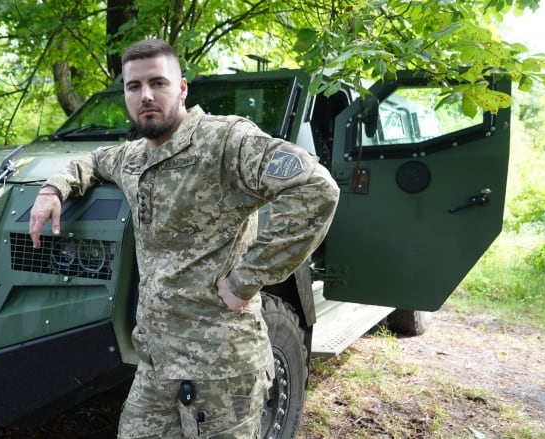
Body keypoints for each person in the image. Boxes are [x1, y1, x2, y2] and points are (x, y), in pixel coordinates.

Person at [29, 38, 339, 439]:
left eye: (158, 83)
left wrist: (247, 278)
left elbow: (317, 188)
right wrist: (53, 189)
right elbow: (90, 160)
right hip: (156, 363)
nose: (146, 96)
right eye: (133, 86)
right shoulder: (134, 157)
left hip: (221, 371)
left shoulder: (225, 141)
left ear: (182, 88)